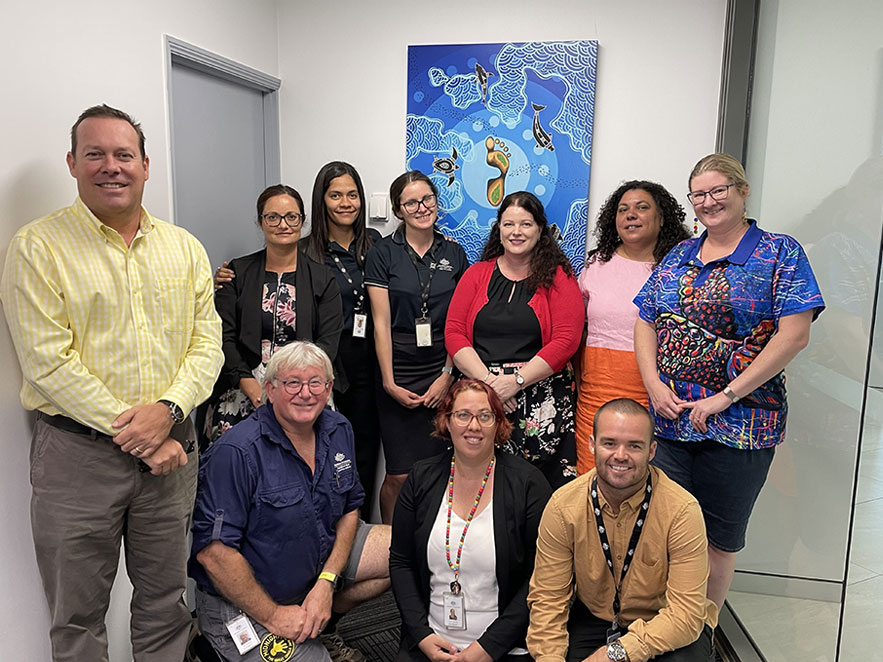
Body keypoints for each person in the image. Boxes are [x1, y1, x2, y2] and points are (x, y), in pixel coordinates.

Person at [0, 104, 223, 661]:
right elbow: (48, 363)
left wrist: (169, 410)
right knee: (76, 618)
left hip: (172, 458)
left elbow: (207, 345)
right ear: (73, 163)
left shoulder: (184, 248)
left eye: (124, 155)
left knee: (165, 605)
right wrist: (144, 432)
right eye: (95, 154)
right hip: (78, 461)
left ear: (146, 165)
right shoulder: (37, 247)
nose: (111, 166)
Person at [633, 153, 825, 609]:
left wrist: (727, 395)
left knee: (719, 539)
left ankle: (703, 632)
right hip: (671, 424)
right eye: (698, 194)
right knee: (664, 532)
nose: (708, 202)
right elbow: (645, 319)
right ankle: (663, 627)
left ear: (742, 191)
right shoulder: (680, 254)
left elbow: (795, 334)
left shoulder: (779, 251)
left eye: (719, 190)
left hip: (742, 427)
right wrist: (654, 385)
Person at [190, 341, 391, 662]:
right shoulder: (236, 452)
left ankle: (319, 624)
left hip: (312, 571)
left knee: (404, 548)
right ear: (269, 389)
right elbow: (215, 555)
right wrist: (272, 615)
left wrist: (326, 583)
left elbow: (350, 509)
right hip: (246, 601)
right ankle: (209, 648)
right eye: (292, 383)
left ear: (328, 389)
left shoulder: (338, 429)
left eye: (315, 383)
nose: (305, 393)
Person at [527, 399, 717, 662]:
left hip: (664, 623)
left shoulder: (682, 511)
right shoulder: (562, 506)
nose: (620, 455)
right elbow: (548, 600)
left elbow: (686, 615)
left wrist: (614, 654)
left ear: (652, 451)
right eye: (609, 443)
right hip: (595, 618)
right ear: (592, 444)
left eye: (634, 446)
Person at [390, 379, 552, 662]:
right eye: (463, 415)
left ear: (499, 423)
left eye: (485, 416)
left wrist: (488, 647)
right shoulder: (421, 478)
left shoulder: (528, 484)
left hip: (504, 647)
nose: (473, 426)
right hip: (432, 642)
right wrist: (421, 635)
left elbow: (540, 578)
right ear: (447, 421)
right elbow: (401, 561)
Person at [445, 191, 582, 488]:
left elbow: (566, 340)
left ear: (540, 230)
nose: (516, 232)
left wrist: (515, 382)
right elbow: (454, 332)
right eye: (508, 224)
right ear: (499, 229)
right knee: (480, 484)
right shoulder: (475, 274)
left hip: (541, 400)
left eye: (526, 224)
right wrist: (491, 385)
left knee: (537, 489)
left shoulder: (560, 277)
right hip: (480, 396)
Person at [202, 184, 343, 445]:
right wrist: (252, 387)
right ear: (260, 221)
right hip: (244, 391)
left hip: (305, 392)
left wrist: (295, 388)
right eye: (273, 217)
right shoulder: (236, 273)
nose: (283, 224)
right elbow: (223, 337)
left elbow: (328, 344)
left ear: (302, 221)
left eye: (292, 217)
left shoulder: (323, 278)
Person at [365, 171, 469, 522]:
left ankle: (429, 545)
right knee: (398, 475)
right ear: (398, 210)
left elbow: (460, 322)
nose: (421, 208)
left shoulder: (454, 253)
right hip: (398, 369)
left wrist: (447, 375)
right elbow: (380, 322)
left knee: (440, 470)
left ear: (437, 202)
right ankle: (392, 550)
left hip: (441, 368)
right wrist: (389, 382)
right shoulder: (383, 252)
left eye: (427, 199)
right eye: (411, 202)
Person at [575, 181, 691, 474]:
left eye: (642, 207)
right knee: (593, 478)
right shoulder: (596, 265)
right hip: (595, 393)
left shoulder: (679, 269)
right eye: (623, 209)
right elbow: (579, 331)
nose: (631, 215)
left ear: (662, 217)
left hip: (659, 397)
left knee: (644, 481)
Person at [304, 162, 383, 518]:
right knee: (327, 453)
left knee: (364, 454)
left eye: (352, 194)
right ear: (322, 200)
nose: (345, 203)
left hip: (373, 363)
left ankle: (360, 531)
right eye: (335, 195)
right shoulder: (307, 251)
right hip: (331, 364)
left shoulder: (375, 243)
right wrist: (230, 276)